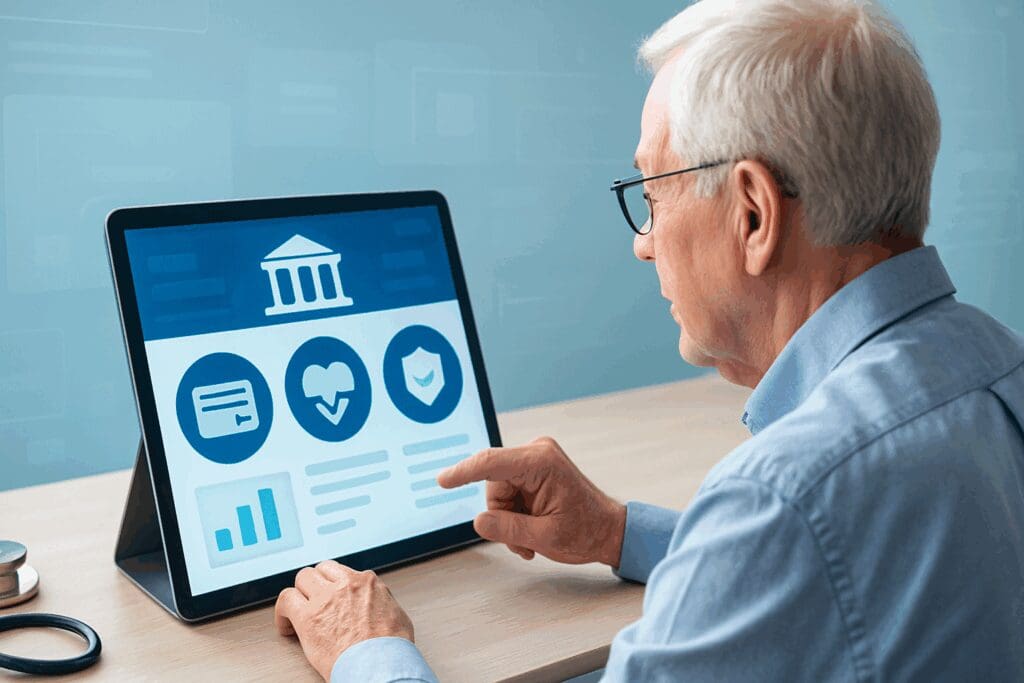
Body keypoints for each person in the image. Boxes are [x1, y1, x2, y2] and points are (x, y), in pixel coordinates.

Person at [274, 0, 1024, 680]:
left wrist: (367, 650)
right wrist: (617, 531)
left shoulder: (784, 497)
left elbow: (796, 529)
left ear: (754, 214)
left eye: (653, 193)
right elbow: (846, 567)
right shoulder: (1002, 368)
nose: (643, 243)